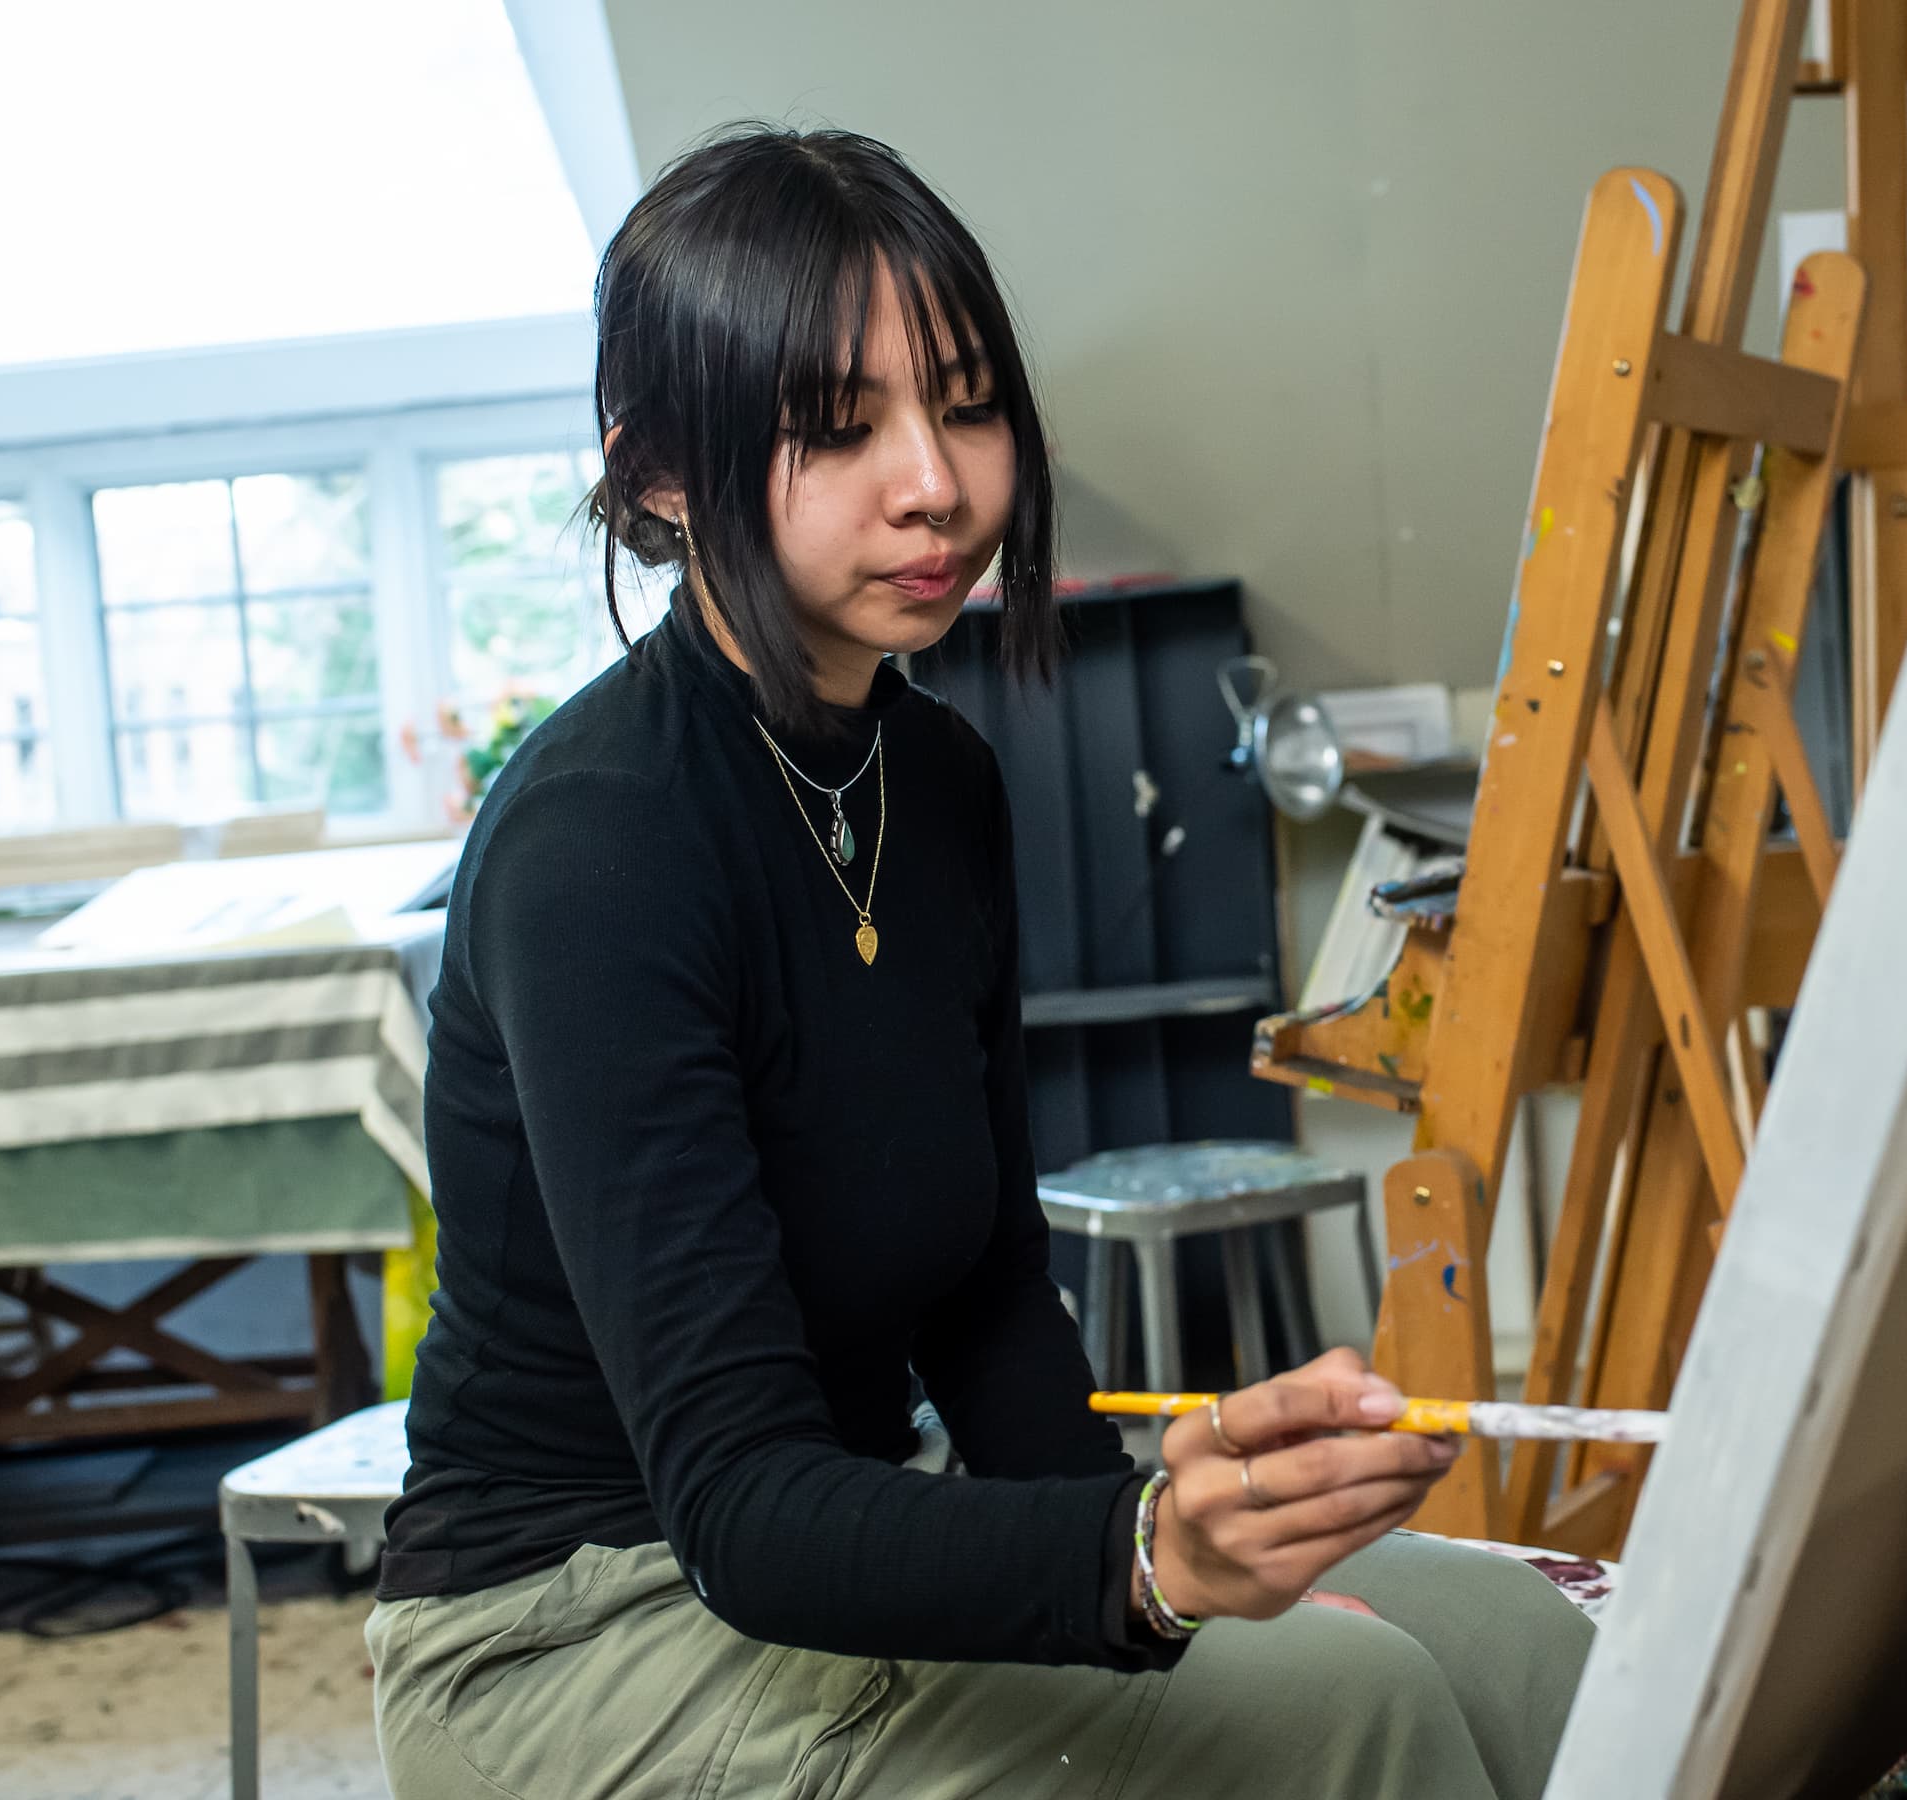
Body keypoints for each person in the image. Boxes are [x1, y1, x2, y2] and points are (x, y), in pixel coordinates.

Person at [366, 124, 1592, 1799]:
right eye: (834, 427)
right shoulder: (600, 844)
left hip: (827, 1550)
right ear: (657, 469)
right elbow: (736, 1507)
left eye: (964, 402)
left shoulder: (933, 778)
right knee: (1353, 1710)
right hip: (572, 1631)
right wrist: (1142, 1566)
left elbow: (991, 1298)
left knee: (1538, 1650)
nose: (936, 481)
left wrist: (1181, 1518)